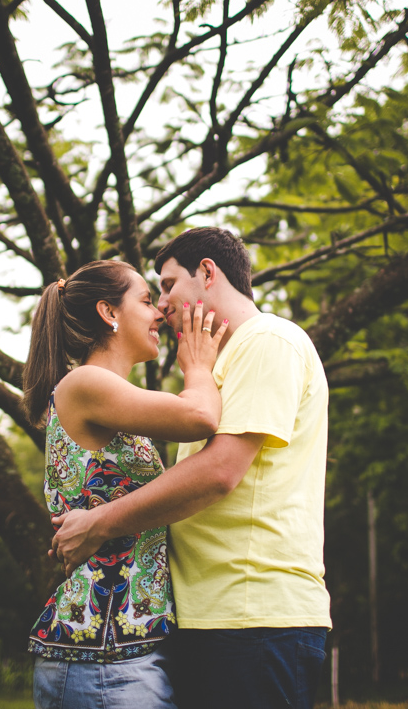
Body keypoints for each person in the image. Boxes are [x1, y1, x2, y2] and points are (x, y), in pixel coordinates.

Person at [51, 228, 331, 709]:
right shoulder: (219, 368)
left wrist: (99, 520)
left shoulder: (269, 339)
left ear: (207, 272)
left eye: (167, 284)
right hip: (205, 619)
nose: (162, 305)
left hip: (253, 616)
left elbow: (220, 472)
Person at [22, 259, 225, 709]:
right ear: (109, 313)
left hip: (123, 652)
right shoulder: (85, 382)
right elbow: (201, 416)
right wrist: (197, 363)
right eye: (147, 300)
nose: (159, 314)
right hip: (101, 658)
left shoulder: (110, 398)